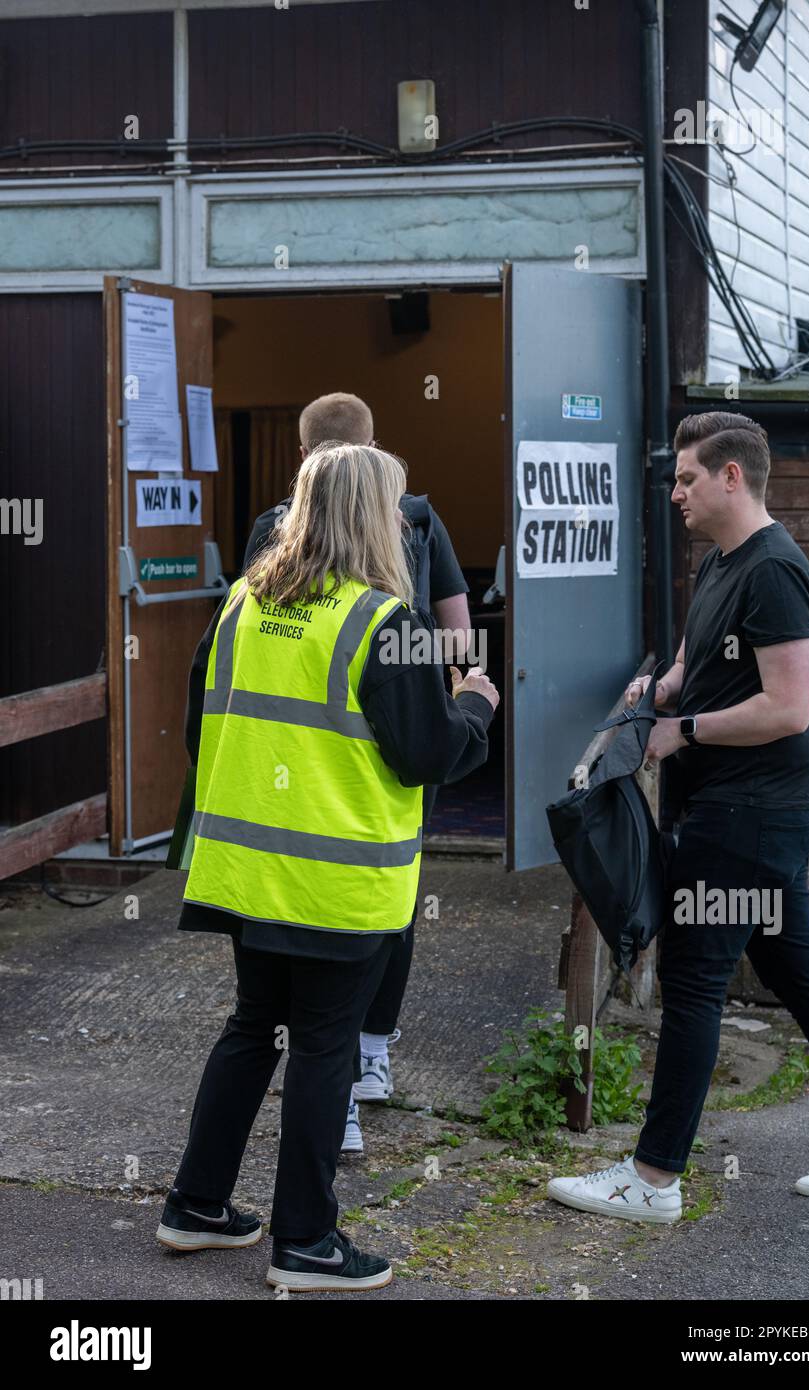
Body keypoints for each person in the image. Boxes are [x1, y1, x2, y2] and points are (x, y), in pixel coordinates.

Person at [157, 442, 499, 1290]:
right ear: (367, 515)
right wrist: (475, 707)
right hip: (335, 884)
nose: (402, 519)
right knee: (323, 1047)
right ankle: (306, 1243)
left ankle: (195, 1206)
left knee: (251, 1029)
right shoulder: (385, 623)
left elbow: (205, 729)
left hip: (247, 874)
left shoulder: (240, 601)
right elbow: (428, 753)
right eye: (394, 504)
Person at [548, 411, 809, 1223]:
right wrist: (658, 692)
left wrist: (679, 731)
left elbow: (788, 708)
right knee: (798, 972)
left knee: (693, 981)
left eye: (688, 476)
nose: (676, 490)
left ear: (732, 476)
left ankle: (653, 1181)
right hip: (742, 813)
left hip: (751, 815)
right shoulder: (722, 563)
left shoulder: (776, 571)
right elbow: (700, 663)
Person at [243, 391, 472, 1152]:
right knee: (390, 891)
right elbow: (456, 629)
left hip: (297, 762)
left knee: (282, 953)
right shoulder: (418, 521)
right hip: (385, 745)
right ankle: (365, 1059)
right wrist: (441, 703)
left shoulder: (267, 537)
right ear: (375, 452)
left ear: (302, 458)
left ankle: (340, 1078)